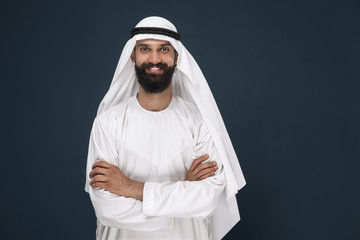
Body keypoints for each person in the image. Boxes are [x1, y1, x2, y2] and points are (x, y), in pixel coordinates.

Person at [85, 16, 246, 240]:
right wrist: (183, 195)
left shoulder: (200, 123)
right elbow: (107, 209)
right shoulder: (107, 123)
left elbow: (208, 198)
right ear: (133, 56)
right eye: (145, 49)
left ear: (176, 56)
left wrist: (130, 187)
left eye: (163, 49)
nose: (154, 58)